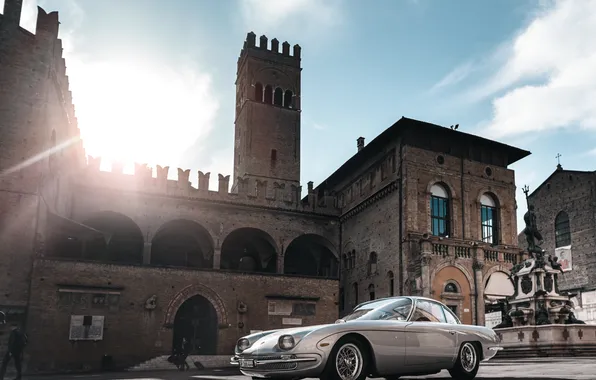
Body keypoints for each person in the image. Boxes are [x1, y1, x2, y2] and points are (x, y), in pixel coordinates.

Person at [0, 316, 28, 380]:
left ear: (13, 327)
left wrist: (10, 351)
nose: (10, 328)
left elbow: (12, 343)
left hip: (12, 351)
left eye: (11, 326)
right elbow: (24, 342)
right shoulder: (20, 333)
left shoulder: (14, 333)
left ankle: (1, 376)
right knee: (17, 364)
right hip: (17, 351)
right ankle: (19, 376)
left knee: (4, 363)